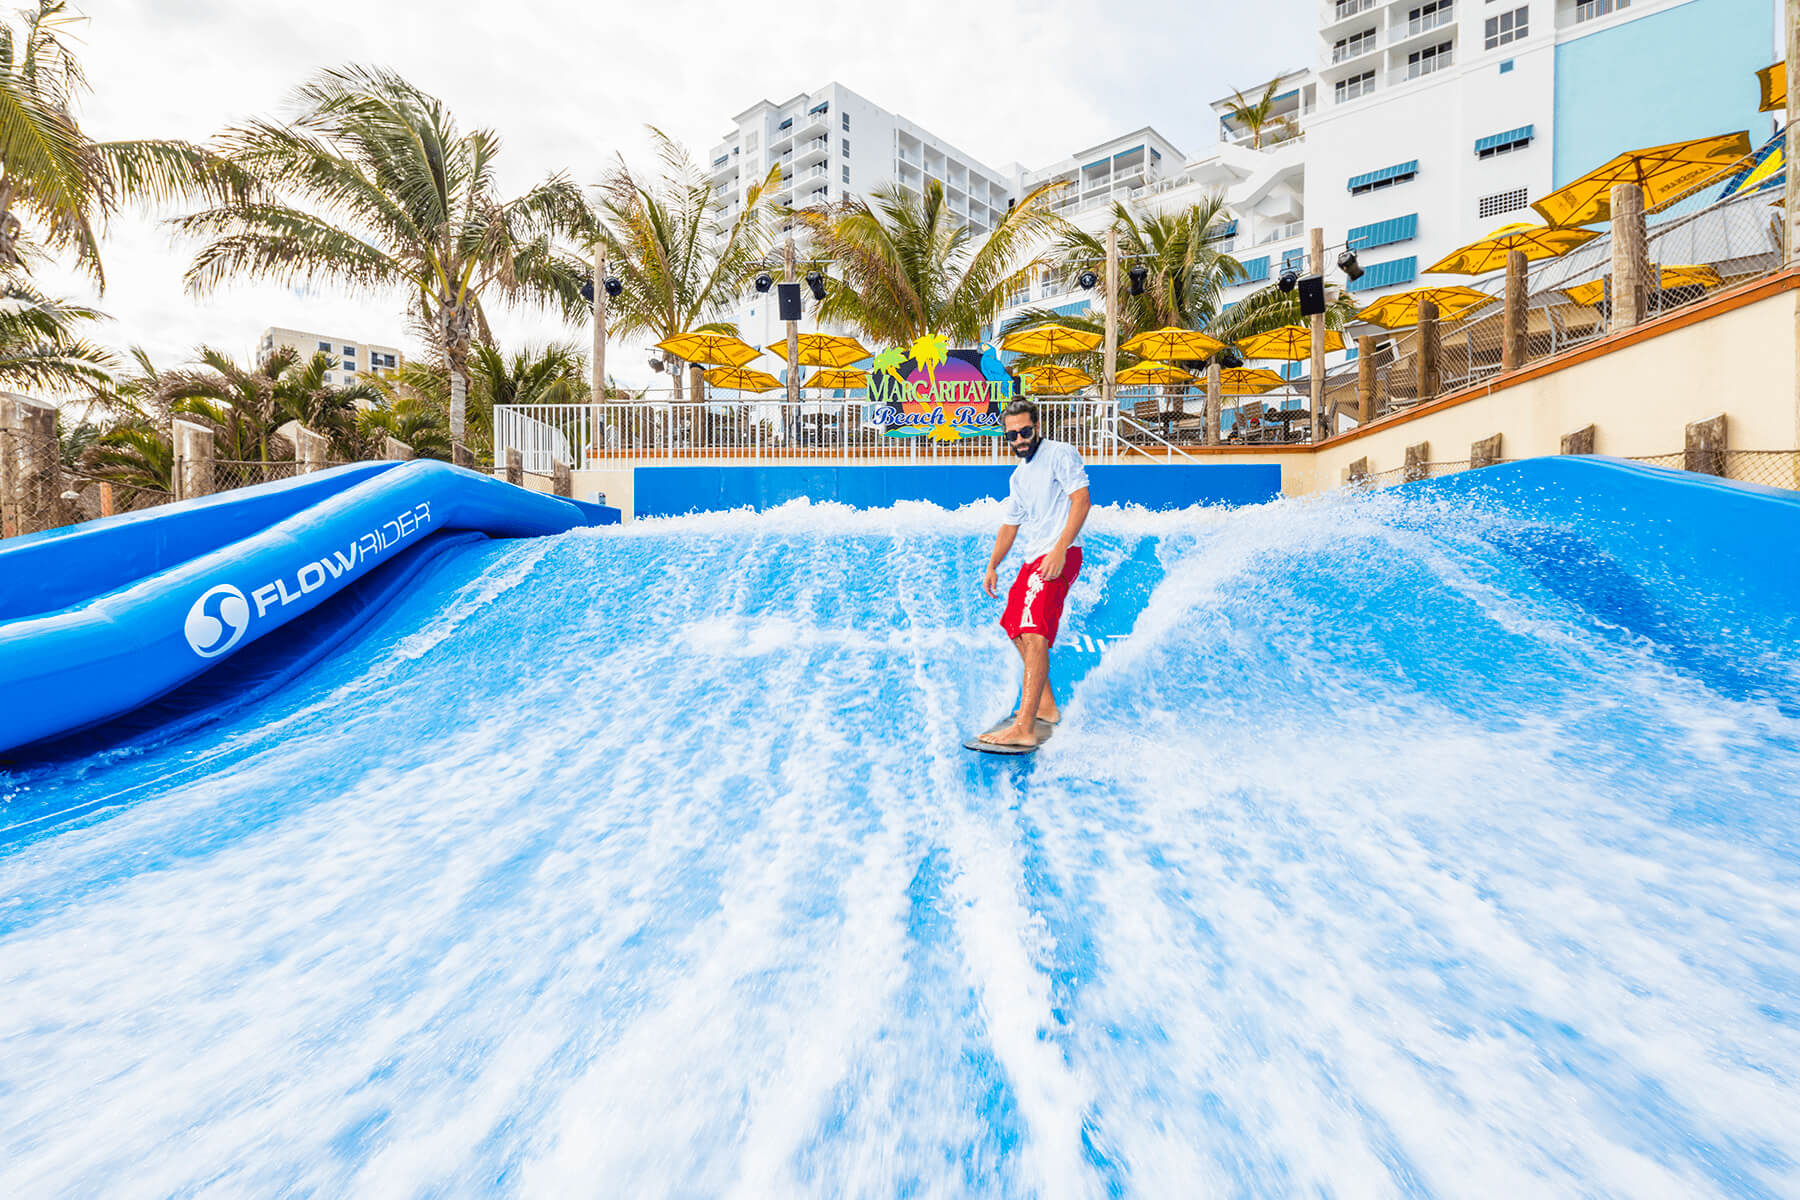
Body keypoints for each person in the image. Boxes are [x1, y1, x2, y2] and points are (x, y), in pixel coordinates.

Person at [978, 399, 1092, 748]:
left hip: (1059, 554)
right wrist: (992, 565)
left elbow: (1082, 500)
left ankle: (1024, 727)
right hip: (1034, 557)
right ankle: (1046, 706)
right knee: (1014, 626)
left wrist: (1060, 549)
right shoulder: (1019, 476)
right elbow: (1010, 524)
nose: (1020, 440)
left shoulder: (1059, 454)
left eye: (1025, 431)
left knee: (1034, 631)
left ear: (1036, 427)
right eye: (1012, 435)